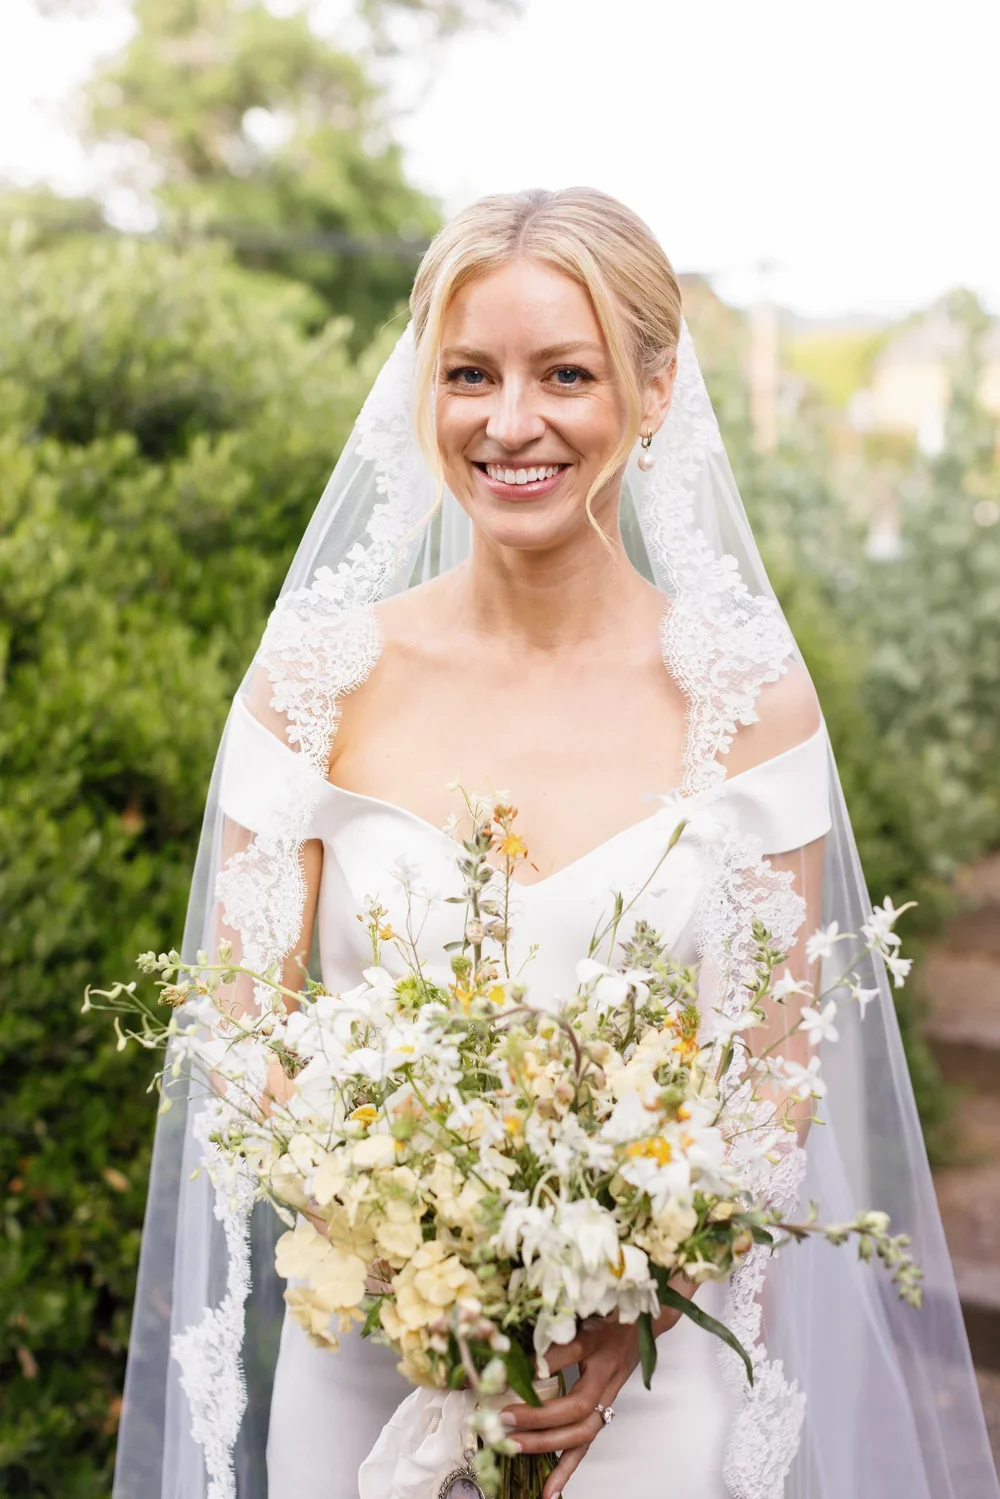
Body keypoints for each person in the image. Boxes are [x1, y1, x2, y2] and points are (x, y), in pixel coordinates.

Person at [114, 190, 999, 1499]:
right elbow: (241, 1045)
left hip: (643, 1379)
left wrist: (628, 1301)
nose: (510, 421)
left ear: (653, 391)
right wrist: (428, 1251)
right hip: (373, 1363)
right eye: (469, 372)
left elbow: (769, 1083)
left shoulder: (750, 706)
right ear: (425, 387)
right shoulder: (314, 684)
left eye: (564, 373)